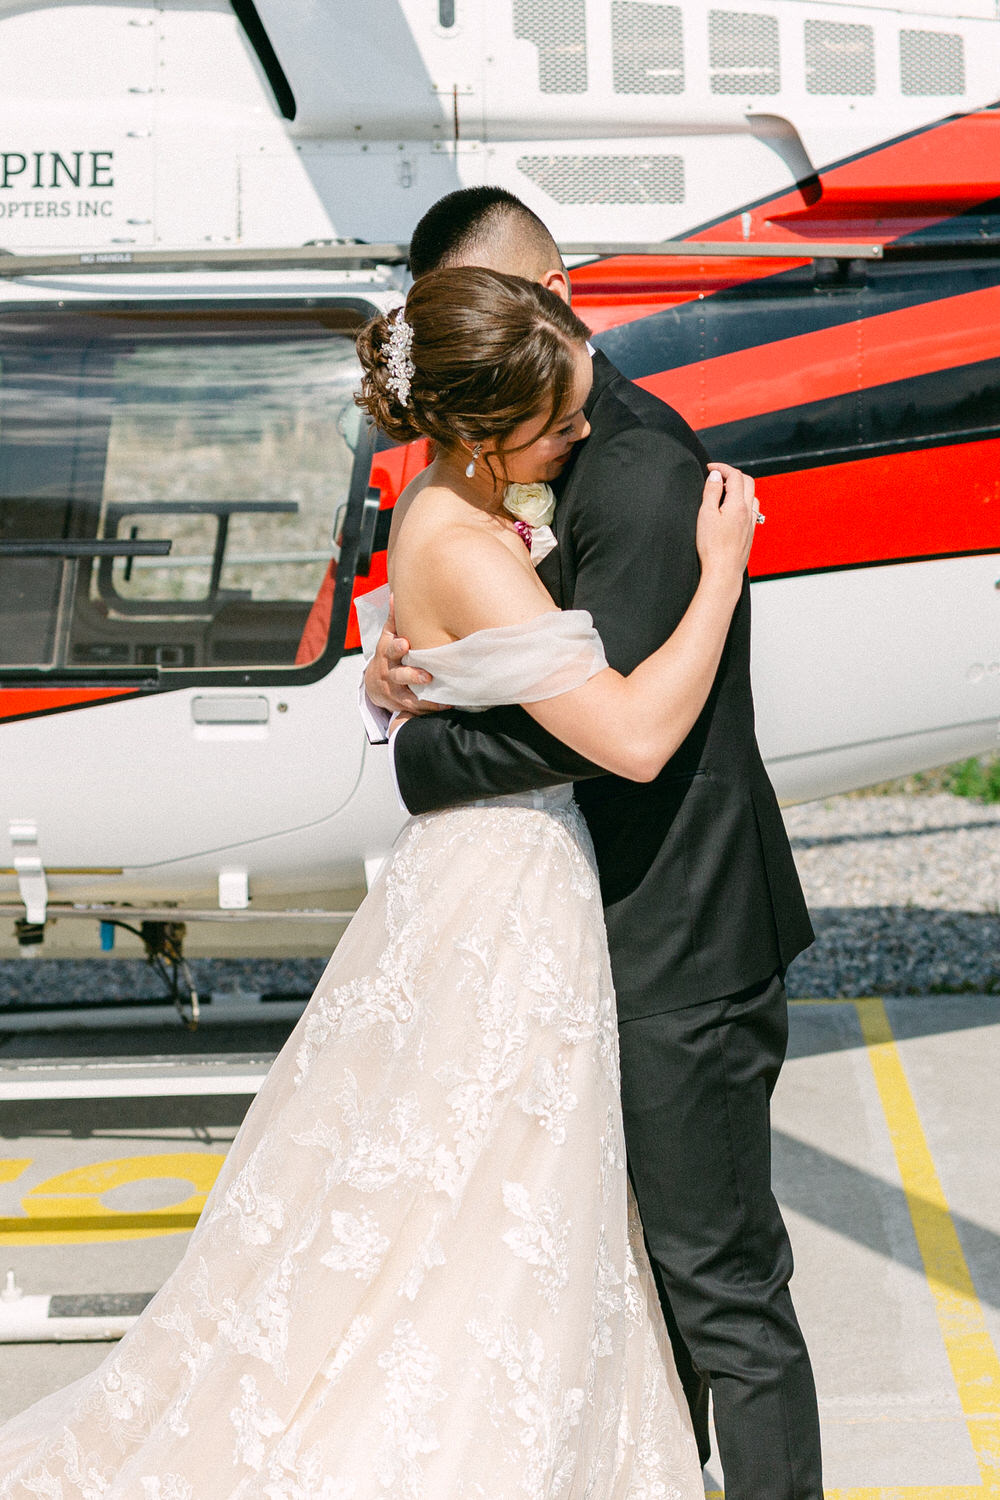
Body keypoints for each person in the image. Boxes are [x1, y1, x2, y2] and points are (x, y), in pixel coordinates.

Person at [0, 268, 755, 1497]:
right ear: (477, 430)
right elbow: (630, 739)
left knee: (448, 1180)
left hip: (470, 876)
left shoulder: (430, 505)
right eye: (560, 420)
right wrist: (719, 571)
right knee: (498, 1184)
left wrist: (393, 665)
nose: (578, 435)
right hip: (510, 886)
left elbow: (451, 643)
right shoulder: (472, 543)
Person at [363, 188, 822, 1500]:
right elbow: (527, 666)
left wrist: (427, 748)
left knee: (721, 1293)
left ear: (551, 293)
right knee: (610, 1281)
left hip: (678, 937)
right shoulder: (517, 461)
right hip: (573, 939)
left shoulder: (634, 470)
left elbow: (618, 733)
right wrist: (422, 672)